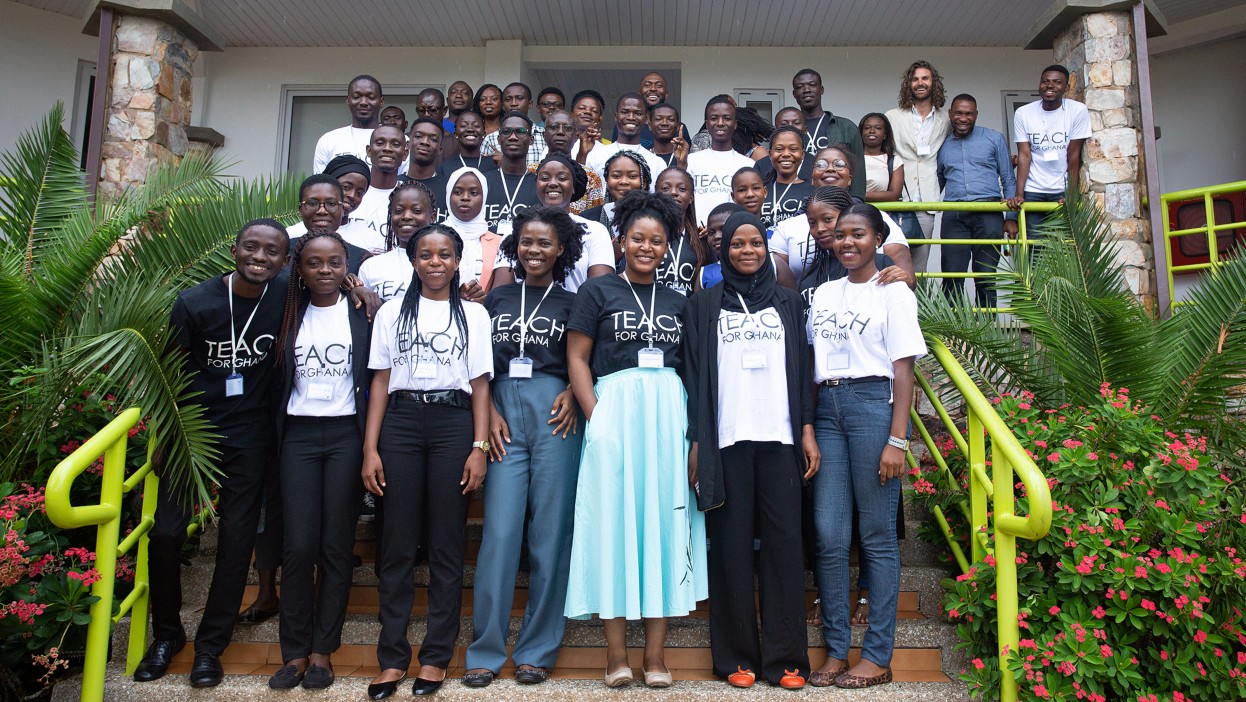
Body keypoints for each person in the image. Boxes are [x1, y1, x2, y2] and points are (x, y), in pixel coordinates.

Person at [136, 219, 290, 688]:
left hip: (253, 439)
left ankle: (210, 646)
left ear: (284, 261)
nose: (259, 257)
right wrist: (164, 438)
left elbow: (335, 282)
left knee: (236, 542)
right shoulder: (195, 302)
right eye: (251, 247)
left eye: (271, 252)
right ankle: (167, 635)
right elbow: (168, 375)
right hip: (195, 439)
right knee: (164, 536)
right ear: (234, 249)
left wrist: (359, 288)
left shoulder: (285, 298)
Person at [564, 190, 707, 689]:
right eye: (638, 239)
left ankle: (656, 657)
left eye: (658, 241)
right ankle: (616, 655)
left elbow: (691, 370)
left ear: (669, 247)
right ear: (621, 241)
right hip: (614, 412)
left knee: (663, 526)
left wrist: (693, 438)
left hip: (668, 415)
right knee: (616, 524)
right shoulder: (597, 292)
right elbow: (578, 359)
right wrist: (596, 417)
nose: (647, 247)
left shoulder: (678, 300)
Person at [682, 211, 817, 690]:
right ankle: (736, 657)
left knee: (783, 547)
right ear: (723, 250)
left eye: (755, 243)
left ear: (766, 248)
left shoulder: (788, 302)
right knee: (732, 549)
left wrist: (805, 429)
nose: (746, 251)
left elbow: (803, 370)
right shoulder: (702, 305)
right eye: (737, 244)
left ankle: (786, 661)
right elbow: (694, 378)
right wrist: (698, 441)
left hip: (780, 440)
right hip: (727, 441)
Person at [362, 223, 493, 699]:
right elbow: (379, 382)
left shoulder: (475, 316)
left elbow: (480, 386)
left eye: (444, 255)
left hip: (452, 424)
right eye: (425, 254)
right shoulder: (392, 312)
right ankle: (392, 658)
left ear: (458, 261)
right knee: (395, 545)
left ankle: (436, 656)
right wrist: (370, 448)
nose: (434, 262)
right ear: (413, 260)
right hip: (399, 423)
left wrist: (479, 448)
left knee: (445, 545)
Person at [463, 206, 585, 688]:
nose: (535, 250)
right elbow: (477, 364)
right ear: (516, 245)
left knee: (550, 534)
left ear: (560, 249)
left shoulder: (576, 300)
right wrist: (487, 408)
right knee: (499, 533)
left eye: (544, 243)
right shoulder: (495, 298)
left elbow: (586, 357)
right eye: (527, 242)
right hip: (502, 415)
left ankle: (537, 649)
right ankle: (485, 650)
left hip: (556, 413)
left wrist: (576, 391)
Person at [806, 203, 926, 689]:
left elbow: (904, 371)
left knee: (876, 534)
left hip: (873, 406)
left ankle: (877, 655)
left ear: (878, 238)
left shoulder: (894, 292)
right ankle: (836, 650)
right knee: (828, 533)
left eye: (859, 234)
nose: (848, 242)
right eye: (841, 235)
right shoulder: (822, 293)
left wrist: (898, 439)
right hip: (827, 407)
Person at [267, 231, 372, 691]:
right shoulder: (285, 313)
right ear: (299, 268)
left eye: (333, 262)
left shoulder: (363, 313)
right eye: (314, 263)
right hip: (300, 437)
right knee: (300, 545)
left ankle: (322, 652)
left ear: (346, 265)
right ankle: (293, 653)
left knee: (334, 546)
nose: (324, 270)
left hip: (347, 434)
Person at [772, 148, 915, 280]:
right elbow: (779, 285)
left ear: (850, 178)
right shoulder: (787, 227)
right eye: (821, 165)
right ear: (812, 177)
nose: (830, 169)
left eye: (839, 164)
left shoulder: (877, 217)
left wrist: (902, 279)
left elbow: (906, 277)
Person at [492, 153, 615, 292]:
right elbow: (501, 290)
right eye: (544, 178)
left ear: (573, 186)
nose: (552, 183)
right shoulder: (516, 228)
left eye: (562, 178)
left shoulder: (595, 231)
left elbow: (600, 292)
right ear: (536, 184)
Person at [938, 94, 1017, 308]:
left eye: (968, 113)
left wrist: (1011, 217)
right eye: (958, 113)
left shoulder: (994, 138)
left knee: (986, 275)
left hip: (989, 213)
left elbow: (1009, 178)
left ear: (976, 115)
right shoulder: (941, 144)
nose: (963, 118)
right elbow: (936, 181)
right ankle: (953, 332)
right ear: (950, 114)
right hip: (954, 215)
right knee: (952, 275)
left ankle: (986, 330)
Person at [886, 60, 950, 272]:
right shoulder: (892, 117)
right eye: (915, 79)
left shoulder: (946, 119)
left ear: (934, 83)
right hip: (898, 198)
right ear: (909, 84)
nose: (920, 83)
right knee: (893, 262)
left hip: (927, 201)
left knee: (919, 266)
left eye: (925, 78)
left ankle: (919, 306)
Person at [1009, 64, 1090, 234]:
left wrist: (1071, 195)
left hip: (1062, 190)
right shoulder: (1024, 113)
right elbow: (1024, 155)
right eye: (1045, 81)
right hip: (1033, 190)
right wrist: (1019, 194)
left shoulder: (1077, 111)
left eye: (1057, 82)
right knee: (1034, 244)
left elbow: (1073, 155)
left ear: (1066, 87)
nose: (1050, 86)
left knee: (1062, 245)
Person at [790, 69, 865, 199]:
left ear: (821, 90)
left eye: (812, 85)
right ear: (794, 94)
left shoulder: (846, 127)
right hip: (796, 198)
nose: (806, 89)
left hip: (837, 199)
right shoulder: (788, 130)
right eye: (800, 87)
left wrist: (856, 200)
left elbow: (858, 171)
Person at [359, 180, 437, 301]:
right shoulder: (371, 266)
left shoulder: (448, 263)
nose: (406, 216)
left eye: (416, 211)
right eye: (399, 211)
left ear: (432, 218)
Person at [687, 96, 755, 225]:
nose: (720, 123)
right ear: (707, 124)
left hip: (735, 236)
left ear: (735, 124)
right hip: (698, 237)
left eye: (727, 118)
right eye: (714, 118)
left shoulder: (748, 165)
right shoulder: (692, 161)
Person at [442, 166, 502, 303]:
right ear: (448, 196)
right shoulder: (433, 237)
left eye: (474, 193)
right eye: (457, 192)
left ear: (484, 197)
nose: (465, 198)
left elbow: (501, 293)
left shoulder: (499, 243)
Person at [582, 92, 668, 185]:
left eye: (638, 113)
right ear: (616, 116)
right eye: (625, 112)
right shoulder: (595, 155)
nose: (631, 117)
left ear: (646, 119)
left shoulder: (657, 163)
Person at [348, 125, 409, 252]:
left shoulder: (410, 198)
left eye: (395, 144)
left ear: (405, 154)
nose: (387, 149)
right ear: (369, 151)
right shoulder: (349, 194)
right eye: (380, 143)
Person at [286, 155, 371, 244]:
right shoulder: (291, 235)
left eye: (360, 193)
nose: (352, 195)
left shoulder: (370, 238)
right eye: (346, 187)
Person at [313, 75, 384, 174]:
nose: (363, 102)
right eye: (356, 97)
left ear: (381, 101)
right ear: (348, 100)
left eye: (371, 97)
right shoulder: (328, 140)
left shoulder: (398, 142)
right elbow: (321, 185)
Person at [654, 166, 708, 295]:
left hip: (689, 311)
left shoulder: (701, 238)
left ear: (691, 198)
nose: (673, 192)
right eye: (665, 188)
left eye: (682, 189)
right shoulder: (645, 236)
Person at [483, 112, 540, 234]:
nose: (513, 137)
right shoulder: (482, 182)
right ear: (499, 139)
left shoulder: (540, 185)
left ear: (531, 140)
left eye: (520, 131)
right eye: (506, 131)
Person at [539, 109, 605, 215]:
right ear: (544, 134)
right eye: (553, 127)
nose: (560, 132)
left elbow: (595, 216)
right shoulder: (530, 172)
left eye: (568, 128)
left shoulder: (591, 177)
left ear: (576, 136)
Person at [610, 71, 693, 148]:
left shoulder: (678, 127)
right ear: (639, 93)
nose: (653, 88)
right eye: (647, 85)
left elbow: (685, 158)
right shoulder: (624, 124)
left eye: (659, 86)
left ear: (666, 94)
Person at [580, 150, 653, 238]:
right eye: (616, 176)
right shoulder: (587, 218)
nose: (624, 182)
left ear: (644, 182)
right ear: (606, 180)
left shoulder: (656, 216)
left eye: (632, 176)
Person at [760, 126, 814, 231]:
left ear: (802, 154)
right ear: (770, 154)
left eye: (793, 149)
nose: (786, 154)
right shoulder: (759, 190)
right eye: (779, 149)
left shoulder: (813, 191)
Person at [402, 117, 448, 222]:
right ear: (408, 144)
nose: (425, 142)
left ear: (440, 150)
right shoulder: (396, 185)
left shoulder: (450, 189)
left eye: (433, 139)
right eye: (418, 136)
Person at [436, 110, 499, 178]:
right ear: (456, 134)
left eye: (476, 126)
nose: (470, 129)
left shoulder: (495, 165)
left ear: (484, 133)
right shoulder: (445, 167)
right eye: (463, 126)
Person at [756, 108, 814, 182]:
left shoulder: (814, 163)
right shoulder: (762, 165)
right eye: (784, 124)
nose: (791, 127)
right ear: (775, 129)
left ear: (806, 129)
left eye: (796, 123)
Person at [859, 113, 905, 203]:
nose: (872, 131)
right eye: (867, 127)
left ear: (885, 135)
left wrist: (857, 196)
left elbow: (894, 195)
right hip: (852, 213)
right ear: (860, 133)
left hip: (882, 214)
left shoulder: (894, 161)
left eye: (878, 128)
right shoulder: (850, 158)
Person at [649, 102, 689, 169]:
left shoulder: (688, 158)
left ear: (678, 127)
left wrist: (682, 164)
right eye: (658, 119)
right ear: (650, 125)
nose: (664, 123)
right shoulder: (642, 157)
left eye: (670, 119)